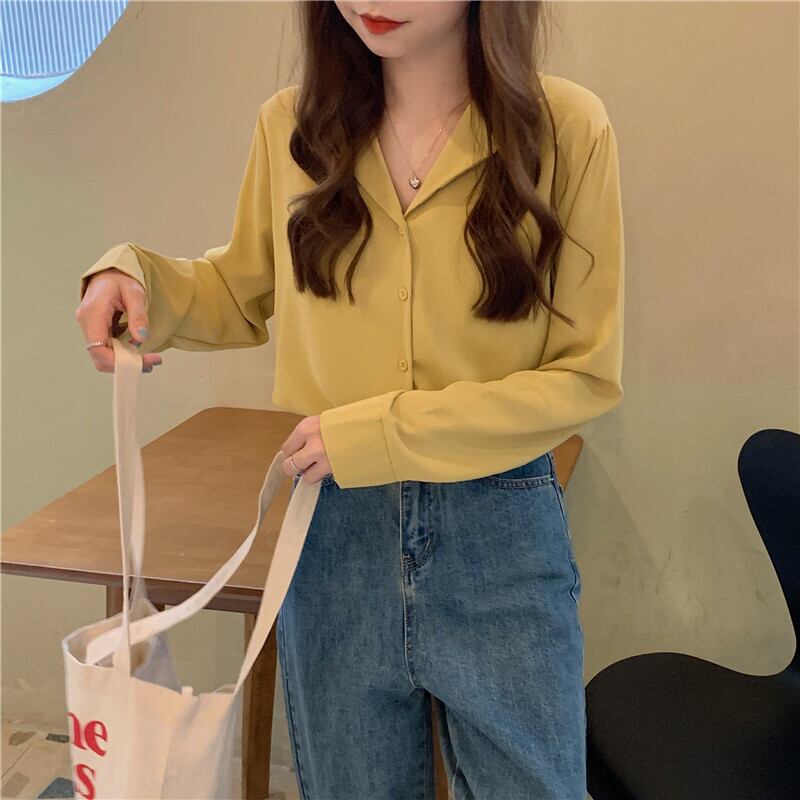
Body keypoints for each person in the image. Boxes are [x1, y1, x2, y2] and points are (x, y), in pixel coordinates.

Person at [74, 2, 624, 797]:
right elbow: (240, 288)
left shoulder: (567, 130)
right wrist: (137, 280)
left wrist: (378, 435)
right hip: (332, 529)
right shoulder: (292, 128)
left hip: (498, 528)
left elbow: (583, 374)